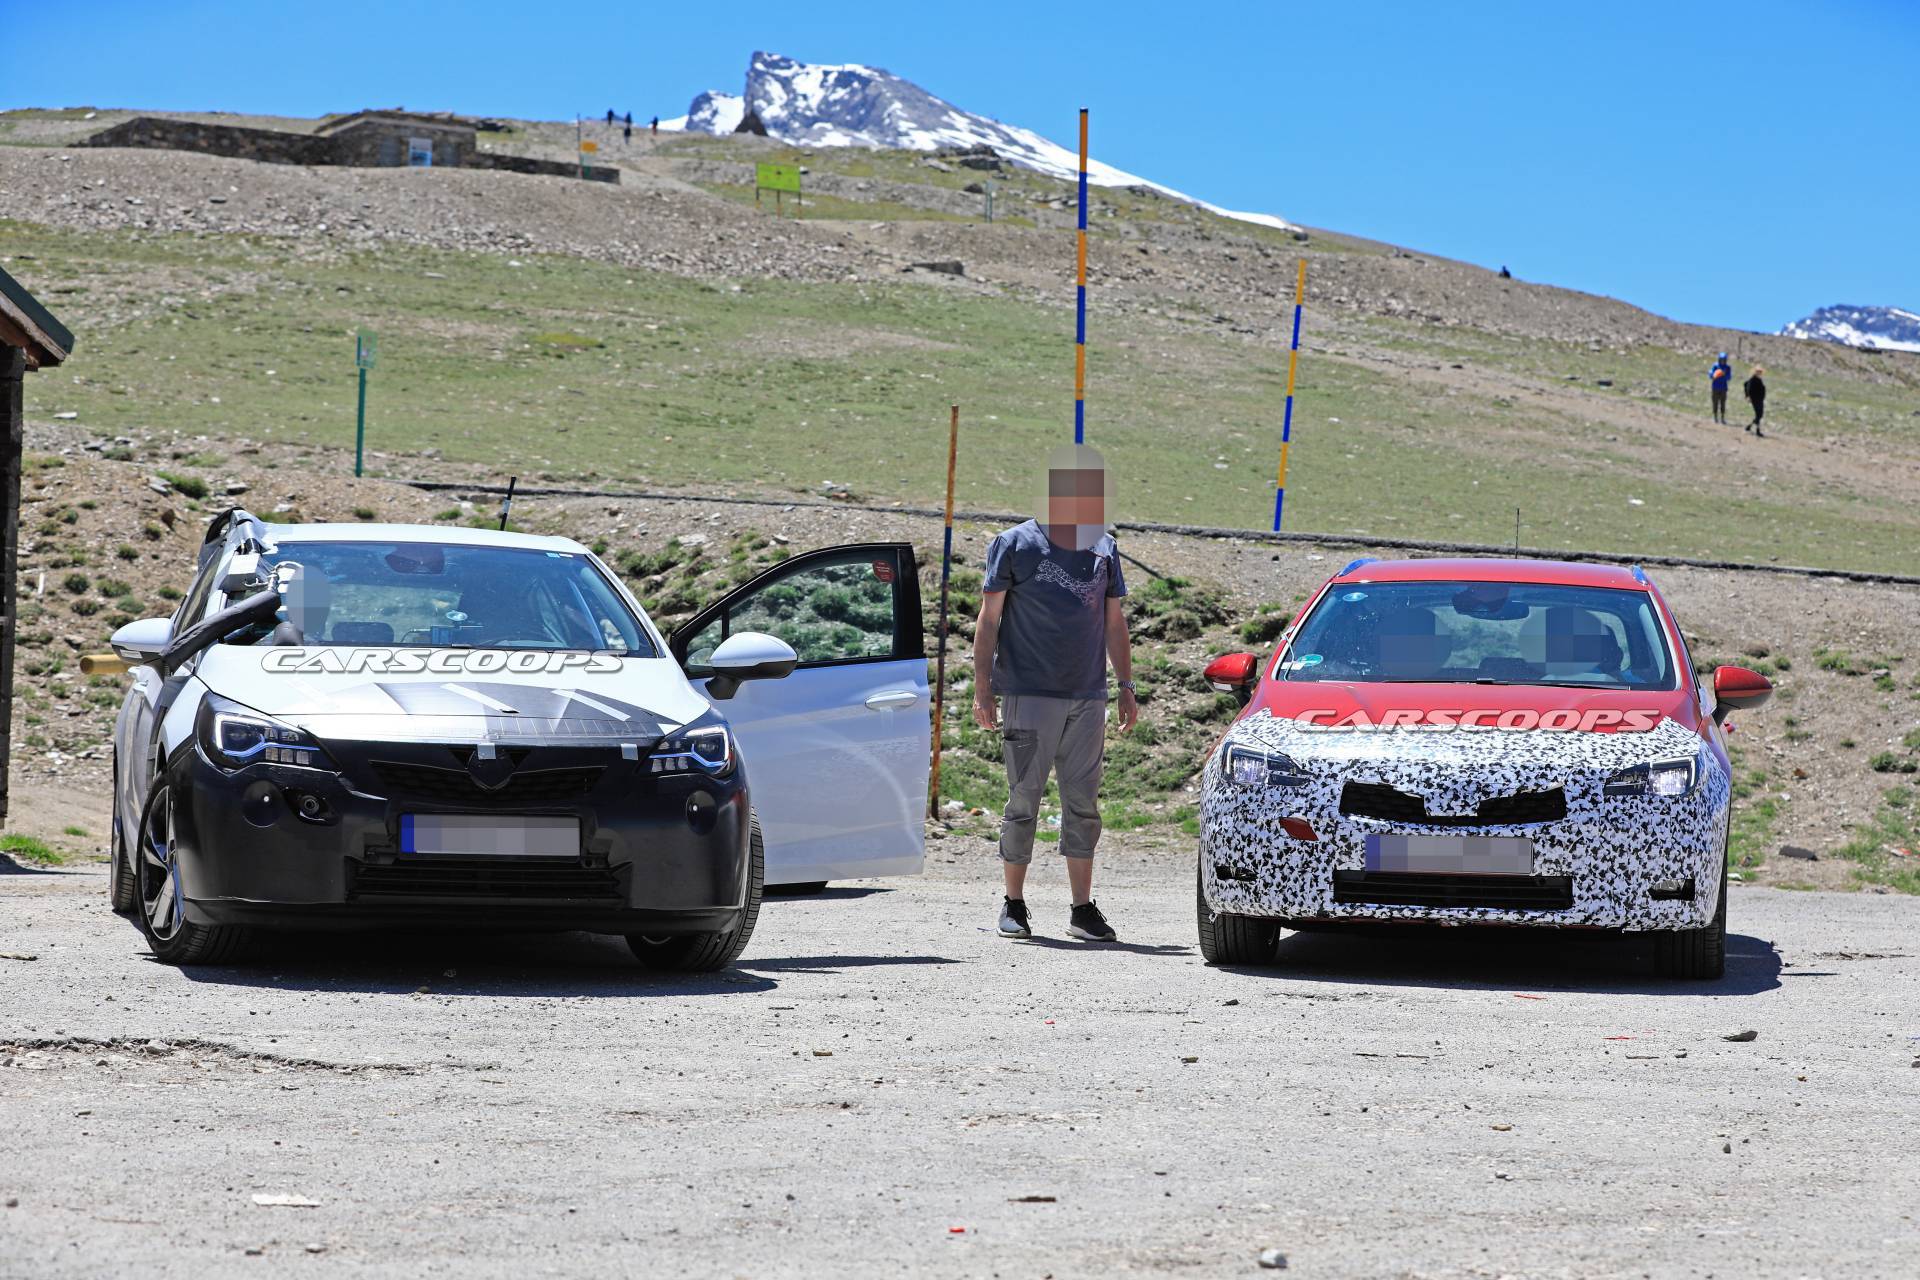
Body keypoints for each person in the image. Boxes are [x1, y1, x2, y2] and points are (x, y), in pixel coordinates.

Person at [973, 444, 1138, 943]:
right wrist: (983, 688)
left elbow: (1114, 623)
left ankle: (1082, 910)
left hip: (1088, 697)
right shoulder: (1014, 543)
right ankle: (1014, 903)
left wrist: (1126, 686)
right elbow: (989, 618)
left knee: (1082, 804)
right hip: (1029, 692)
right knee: (1023, 798)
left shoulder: (1103, 548)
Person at [1743, 366, 1767, 436]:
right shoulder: (1753, 379)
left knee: (1759, 415)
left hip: (1760, 399)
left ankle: (1749, 426)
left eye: (1760, 372)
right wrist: (1748, 396)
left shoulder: (1758, 379)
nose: (1759, 373)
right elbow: (1746, 386)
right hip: (1756, 399)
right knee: (1759, 415)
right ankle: (1757, 430)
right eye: (1758, 371)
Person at [1709, 353, 1732, 423]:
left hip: (1723, 388)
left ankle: (1722, 417)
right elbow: (1711, 374)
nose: (1722, 361)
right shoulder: (1715, 366)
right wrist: (1713, 375)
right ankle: (1715, 417)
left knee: (1723, 403)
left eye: (1723, 360)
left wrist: (1723, 375)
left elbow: (1729, 377)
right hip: (1715, 387)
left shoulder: (1727, 367)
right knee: (1715, 402)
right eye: (1721, 360)